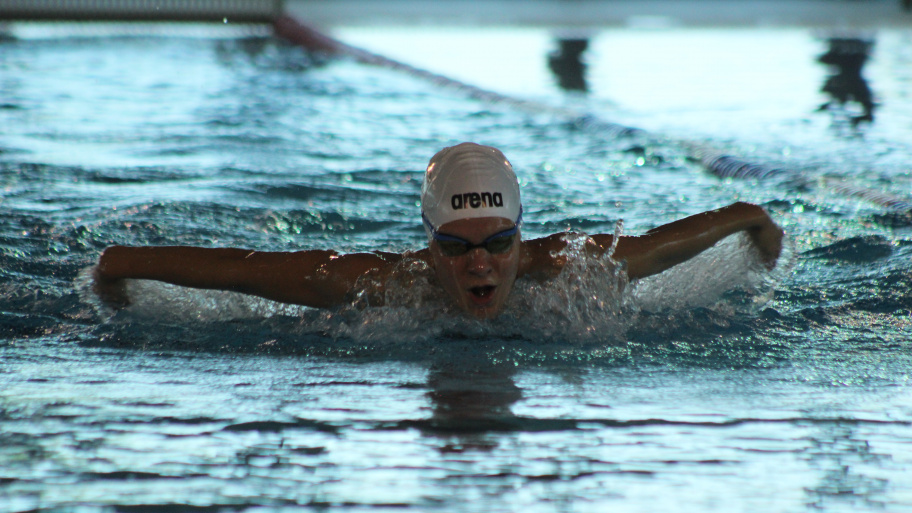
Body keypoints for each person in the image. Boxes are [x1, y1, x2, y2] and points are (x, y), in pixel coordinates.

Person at [93, 142, 784, 320]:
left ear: (521, 236)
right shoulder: (373, 284)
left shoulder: (568, 266)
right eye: (457, 246)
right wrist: (117, 266)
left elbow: (671, 241)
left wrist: (754, 221)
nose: (480, 263)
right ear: (429, 243)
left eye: (498, 242)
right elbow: (242, 269)